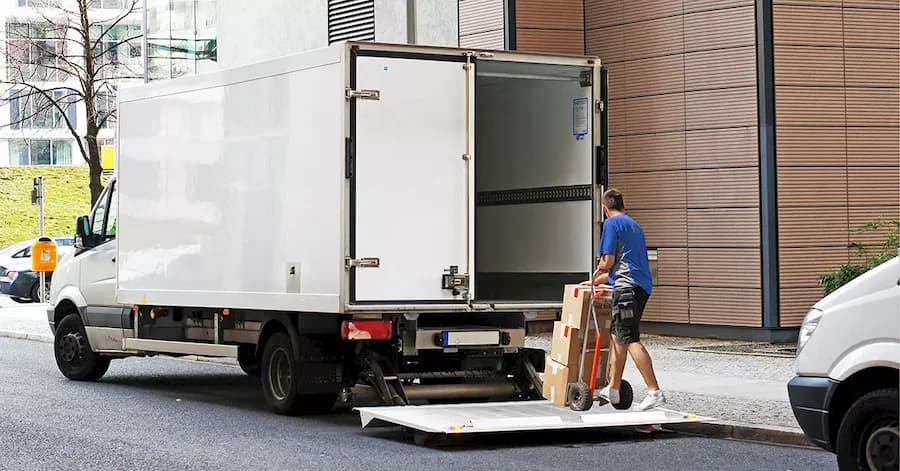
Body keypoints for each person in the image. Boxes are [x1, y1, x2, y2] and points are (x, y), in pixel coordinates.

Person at [592, 189, 665, 411]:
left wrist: (597, 272)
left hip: (626, 290)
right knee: (618, 337)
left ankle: (654, 391)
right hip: (640, 286)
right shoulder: (634, 225)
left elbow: (608, 262)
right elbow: (625, 263)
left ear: (605, 209)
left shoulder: (611, 225)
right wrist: (598, 281)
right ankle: (613, 388)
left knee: (630, 338)